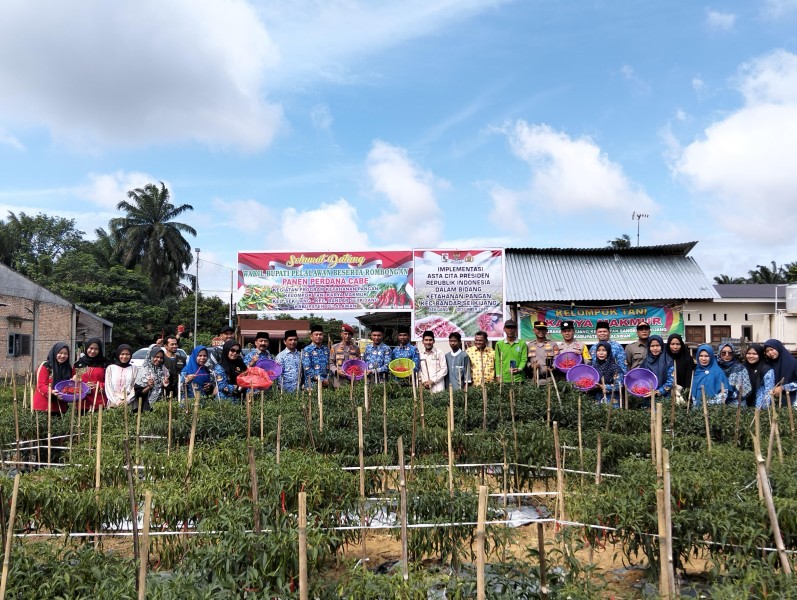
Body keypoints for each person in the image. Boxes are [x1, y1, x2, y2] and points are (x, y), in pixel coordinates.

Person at [33, 342, 73, 413]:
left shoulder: (68, 367)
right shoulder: (46, 365)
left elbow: (69, 385)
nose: (63, 356)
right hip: (44, 407)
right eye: (60, 353)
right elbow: (41, 385)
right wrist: (52, 392)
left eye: (66, 354)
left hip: (60, 407)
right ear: (55, 352)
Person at [74, 337, 109, 411]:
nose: (93, 351)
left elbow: (110, 383)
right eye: (91, 348)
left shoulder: (105, 364)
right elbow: (76, 381)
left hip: (99, 402)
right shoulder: (81, 363)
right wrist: (75, 380)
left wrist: (98, 385)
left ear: (99, 350)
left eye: (96, 349)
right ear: (87, 348)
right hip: (83, 402)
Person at [134, 345, 170, 410]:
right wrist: (149, 387)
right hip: (145, 407)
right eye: (156, 357)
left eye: (161, 358)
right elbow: (138, 394)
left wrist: (166, 386)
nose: (159, 359)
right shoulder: (143, 371)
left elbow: (172, 392)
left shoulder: (165, 371)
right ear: (151, 356)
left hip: (161, 407)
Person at [763, 339, 797, 405]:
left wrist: (783, 387)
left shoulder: (793, 363)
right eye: (767, 351)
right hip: (772, 403)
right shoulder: (767, 364)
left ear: (778, 348)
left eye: (772, 349)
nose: (770, 353)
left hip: (791, 402)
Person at [495, 319, 526, 383]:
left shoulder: (522, 343)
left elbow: (524, 359)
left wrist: (519, 369)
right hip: (504, 378)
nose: (510, 330)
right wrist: (498, 375)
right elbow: (497, 361)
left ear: (516, 329)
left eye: (512, 327)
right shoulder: (499, 344)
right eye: (508, 327)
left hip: (519, 378)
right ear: (504, 329)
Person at [744, 344, 775, 409]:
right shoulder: (743, 368)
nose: (751, 356)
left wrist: (762, 408)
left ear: (760, 355)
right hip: (744, 407)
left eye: (755, 354)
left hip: (760, 407)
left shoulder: (766, 369)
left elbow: (769, 391)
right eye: (749, 353)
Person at [666, 334, 694, 401]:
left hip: (682, 394)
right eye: (672, 344)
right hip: (666, 392)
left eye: (678, 344)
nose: (675, 347)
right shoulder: (664, 358)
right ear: (668, 344)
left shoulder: (687, 359)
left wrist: (686, 393)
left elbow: (689, 378)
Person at [592, 341, 621, 406]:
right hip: (595, 399)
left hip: (611, 400)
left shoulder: (615, 368)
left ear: (608, 352)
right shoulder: (592, 366)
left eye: (604, 350)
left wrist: (602, 386)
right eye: (599, 350)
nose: (601, 353)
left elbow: (619, 385)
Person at [302, 324, 330, 389]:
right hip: (312, 386)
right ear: (311, 336)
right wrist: (321, 380)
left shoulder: (326, 350)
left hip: (325, 386)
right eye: (316, 334)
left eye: (320, 334)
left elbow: (329, 367)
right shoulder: (307, 350)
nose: (318, 336)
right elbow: (307, 369)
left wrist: (327, 380)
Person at [162, 335, 187, 400]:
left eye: (176, 344)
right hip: (165, 391)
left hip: (179, 391)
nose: (175, 346)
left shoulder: (183, 359)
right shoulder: (161, 359)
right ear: (165, 346)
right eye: (172, 344)